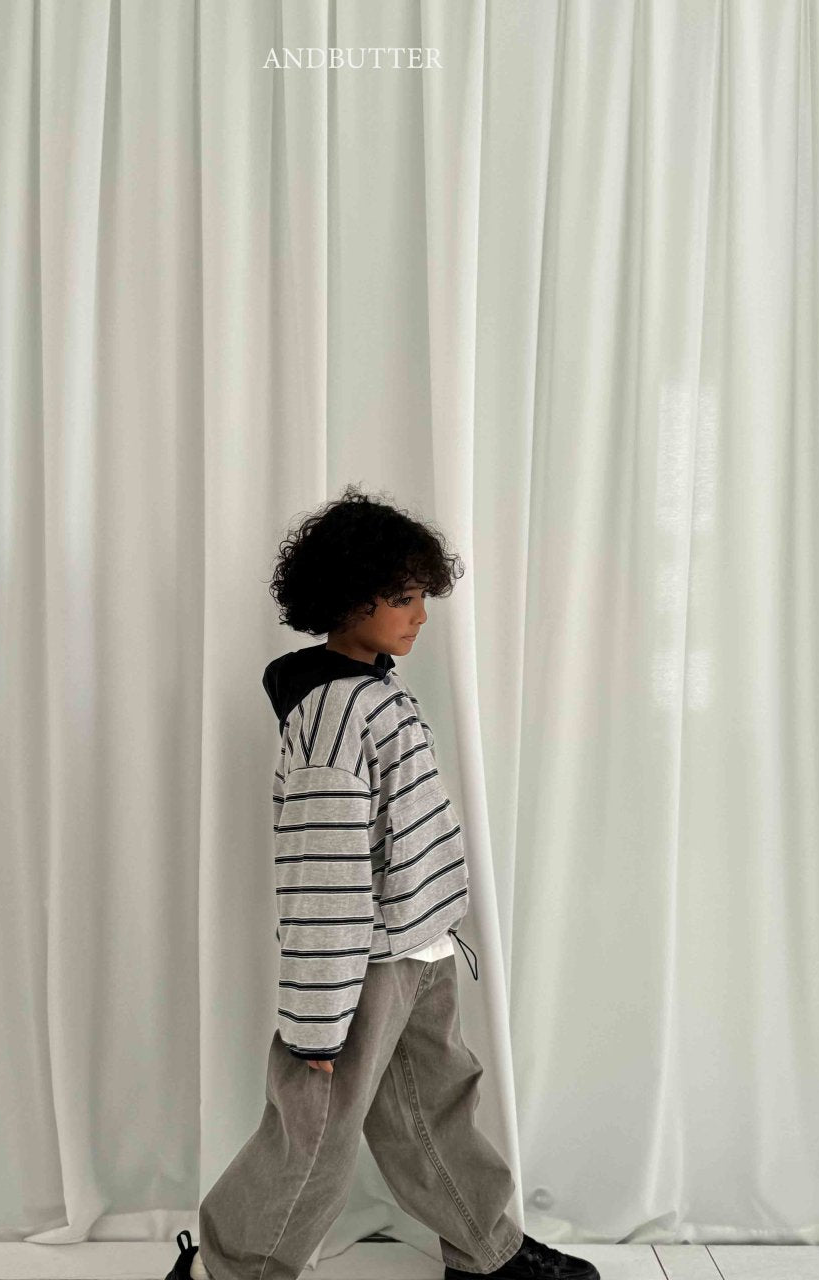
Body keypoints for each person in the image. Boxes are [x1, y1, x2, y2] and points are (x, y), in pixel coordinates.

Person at [166, 486, 599, 1280]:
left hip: (419, 947)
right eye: (403, 598)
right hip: (363, 967)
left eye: (423, 595)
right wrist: (317, 1024)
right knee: (315, 1134)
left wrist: (433, 938)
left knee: (436, 1112)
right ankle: (228, 1271)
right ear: (347, 599)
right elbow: (323, 876)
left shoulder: (374, 688)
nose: (422, 615)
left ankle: (486, 1252)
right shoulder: (332, 716)